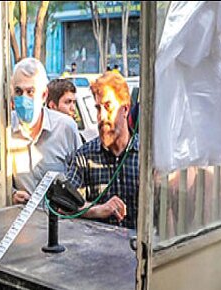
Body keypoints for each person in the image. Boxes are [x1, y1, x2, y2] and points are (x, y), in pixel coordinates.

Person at [65, 71, 139, 229]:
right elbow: (66, 205)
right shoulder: (84, 156)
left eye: (108, 107)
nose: (102, 116)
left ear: (125, 109)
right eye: (98, 109)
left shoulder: (146, 157)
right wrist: (98, 210)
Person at [8, 58, 81, 204]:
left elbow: (81, 180)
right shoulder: (6, 130)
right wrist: (12, 194)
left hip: (62, 223)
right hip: (24, 222)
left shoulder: (65, 128)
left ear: (43, 95)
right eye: (18, 91)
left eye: (30, 91)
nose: (24, 99)